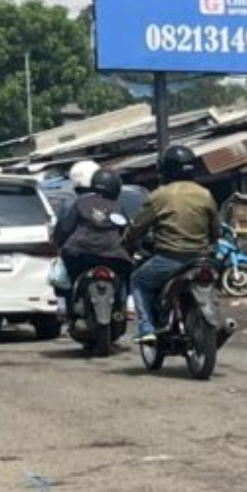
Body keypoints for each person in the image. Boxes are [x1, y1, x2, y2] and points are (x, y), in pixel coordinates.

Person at [126, 145, 217, 343]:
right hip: (201, 259)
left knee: (138, 281)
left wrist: (126, 241)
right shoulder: (205, 194)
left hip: (170, 259)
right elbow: (214, 229)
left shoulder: (160, 195)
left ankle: (146, 327)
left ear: (166, 169)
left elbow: (138, 227)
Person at [54, 167, 135, 302]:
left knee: (67, 280)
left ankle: (66, 304)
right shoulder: (118, 207)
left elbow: (65, 228)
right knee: (129, 275)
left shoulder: (80, 202)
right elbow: (128, 233)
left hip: (79, 253)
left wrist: (58, 244)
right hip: (114, 255)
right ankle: (127, 304)